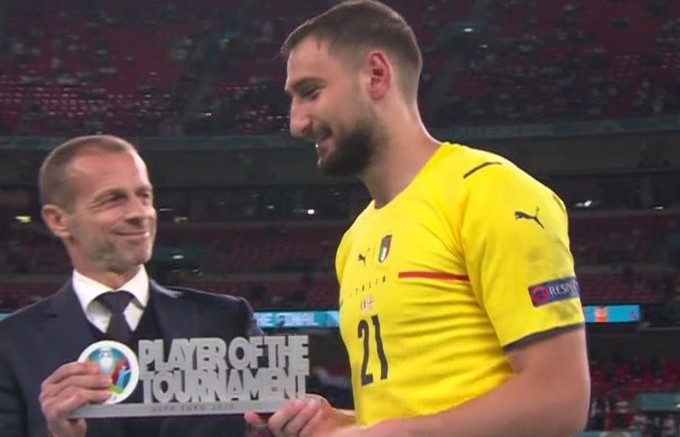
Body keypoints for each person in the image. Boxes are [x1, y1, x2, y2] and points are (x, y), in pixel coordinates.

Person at [245, 1, 590, 436]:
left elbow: (562, 400)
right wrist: (341, 422)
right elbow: (415, 413)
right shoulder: (355, 240)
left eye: (310, 92)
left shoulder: (491, 192)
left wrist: (397, 434)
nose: (296, 123)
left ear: (376, 75)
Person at [0, 134, 259, 437]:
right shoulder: (11, 345)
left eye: (144, 196)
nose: (140, 213)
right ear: (58, 220)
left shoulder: (227, 320)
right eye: (113, 199)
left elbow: (268, 423)